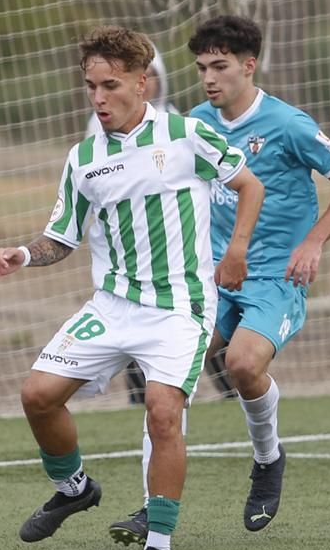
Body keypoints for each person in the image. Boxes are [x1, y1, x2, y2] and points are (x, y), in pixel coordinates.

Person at [0, 25, 264, 550]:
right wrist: (24, 252)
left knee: (163, 413)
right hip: (114, 306)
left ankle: (159, 543)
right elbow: (61, 238)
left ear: (142, 83)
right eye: (89, 86)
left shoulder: (188, 135)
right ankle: (74, 489)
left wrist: (235, 251)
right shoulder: (83, 157)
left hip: (180, 307)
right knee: (37, 396)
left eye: (109, 85)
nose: (97, 98)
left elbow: (249, 186)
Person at [108, 15, 330, 544]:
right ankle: (151, 507)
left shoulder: (289, 124)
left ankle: (268, 458)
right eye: (202, 67)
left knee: (243, 364)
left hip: (275, 277)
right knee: (167, 379)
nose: (208, 77)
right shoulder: (195, 123)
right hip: (210, 277)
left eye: (220, 66)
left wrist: (312, 242)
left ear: (249, 66)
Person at [87, 46, 238, 406]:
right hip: (128, 255)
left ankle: (229, 390)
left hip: (181, 259)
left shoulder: (176, 126)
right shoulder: (99, 128)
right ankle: (138, 396)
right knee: (132, 323)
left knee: (198, 323)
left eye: (154, 76)